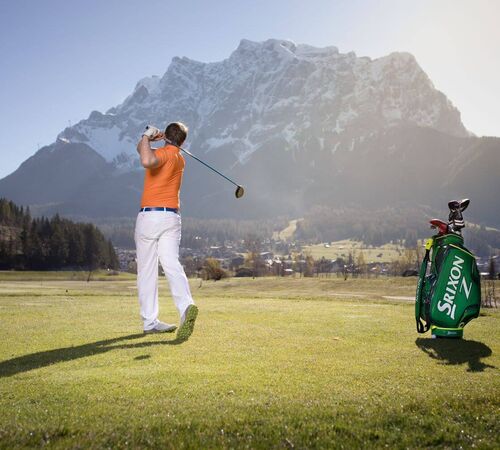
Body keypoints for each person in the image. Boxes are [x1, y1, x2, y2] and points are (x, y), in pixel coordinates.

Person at [134, 122, 198, 340]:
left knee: (147, 270)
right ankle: (186, 306)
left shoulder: (164, 154)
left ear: (167, 136)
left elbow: (145, 159)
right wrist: (149, 141)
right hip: (172, 217)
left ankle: (150, 321)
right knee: (171, 263)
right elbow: (142, 150)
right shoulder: (179, 158)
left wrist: (146, 135)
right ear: (183, 141)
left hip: (150, 216)